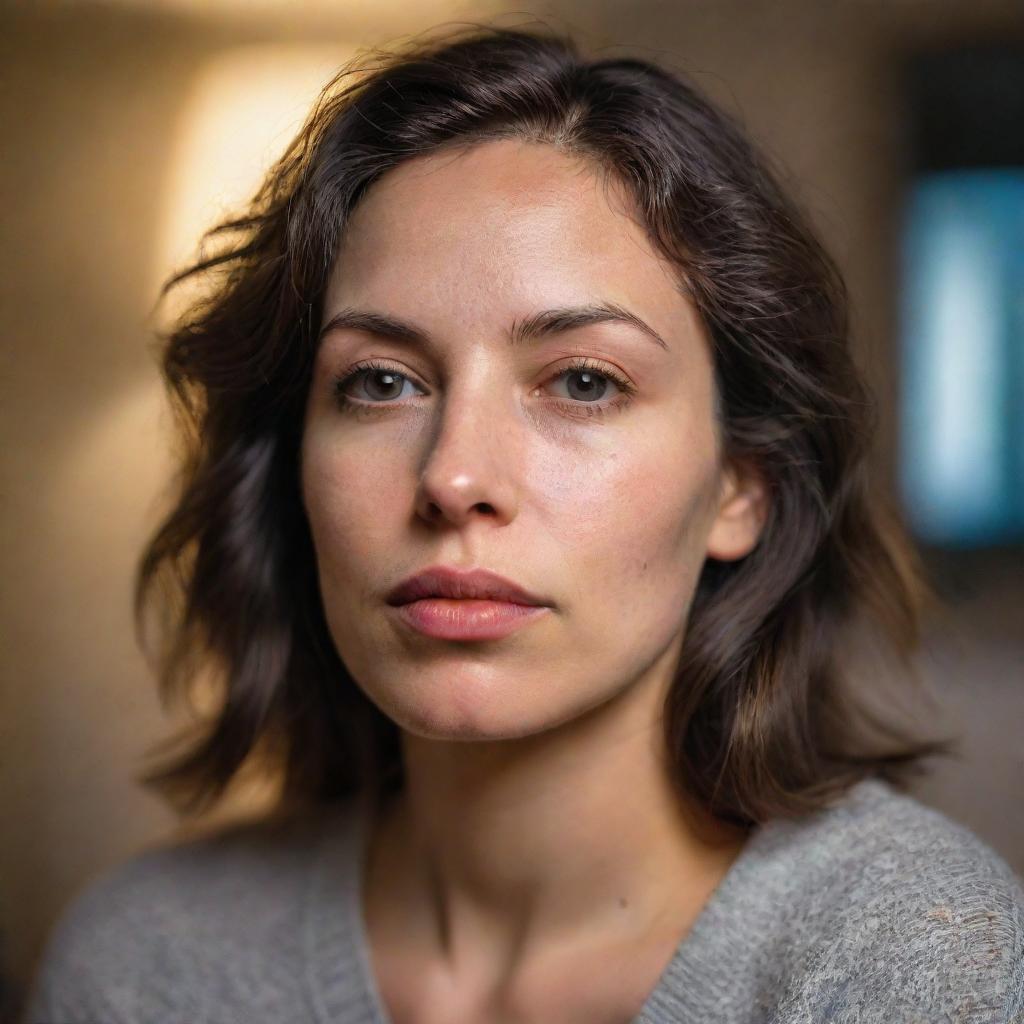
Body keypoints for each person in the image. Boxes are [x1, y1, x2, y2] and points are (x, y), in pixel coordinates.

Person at [22, 21, 1024, 1024]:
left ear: (739, 487)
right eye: (380, 382)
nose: (454, 477)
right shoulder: (147, 964)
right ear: (290, 465)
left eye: (582, 382)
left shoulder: (912, 958)